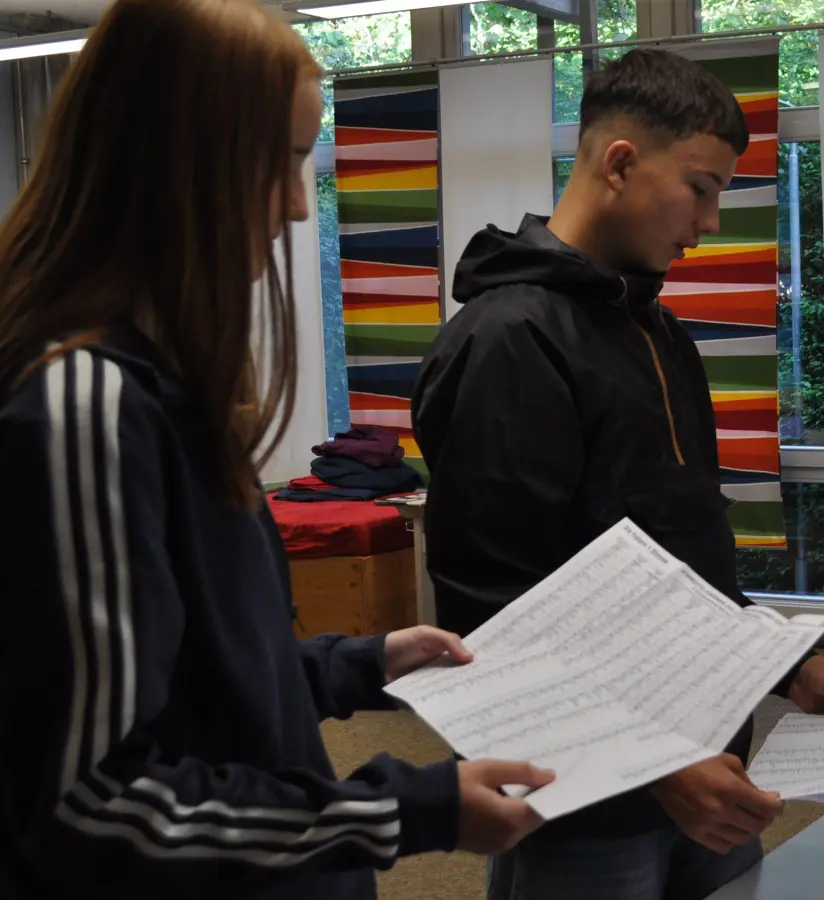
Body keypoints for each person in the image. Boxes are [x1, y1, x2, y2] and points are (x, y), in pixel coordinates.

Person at [0, 1, 552, 897]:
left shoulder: (167, 390)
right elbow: (91, 802)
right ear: (178, 160)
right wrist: (408, 810)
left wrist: (362, 664)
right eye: (284, 162)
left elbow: (197, 676)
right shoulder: (85, 409)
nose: (299, 204)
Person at [412, 48, 824, 900]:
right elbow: (496, 616)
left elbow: (680, 570)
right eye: (700, 188)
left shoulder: (661, 337)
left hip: (710, 762)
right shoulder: (510, 341)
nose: (708, 223)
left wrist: (783, 670)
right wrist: (658, 768)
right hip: (587, 795)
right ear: (620, 163)